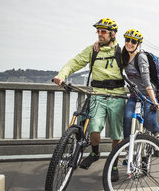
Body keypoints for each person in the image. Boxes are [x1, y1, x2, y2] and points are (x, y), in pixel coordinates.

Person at [53, 18, 125, 181]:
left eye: (103, 31)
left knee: (116, 134)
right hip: (97, 93)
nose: (100, 34)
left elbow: (135, 65)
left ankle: (113, 164)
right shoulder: (93, 50)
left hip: (117, 95)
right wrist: (61, 75)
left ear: (112, 34)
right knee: (93, 127)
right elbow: (75, 62)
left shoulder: (121, 52)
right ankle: (94, 152)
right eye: (98, 31)